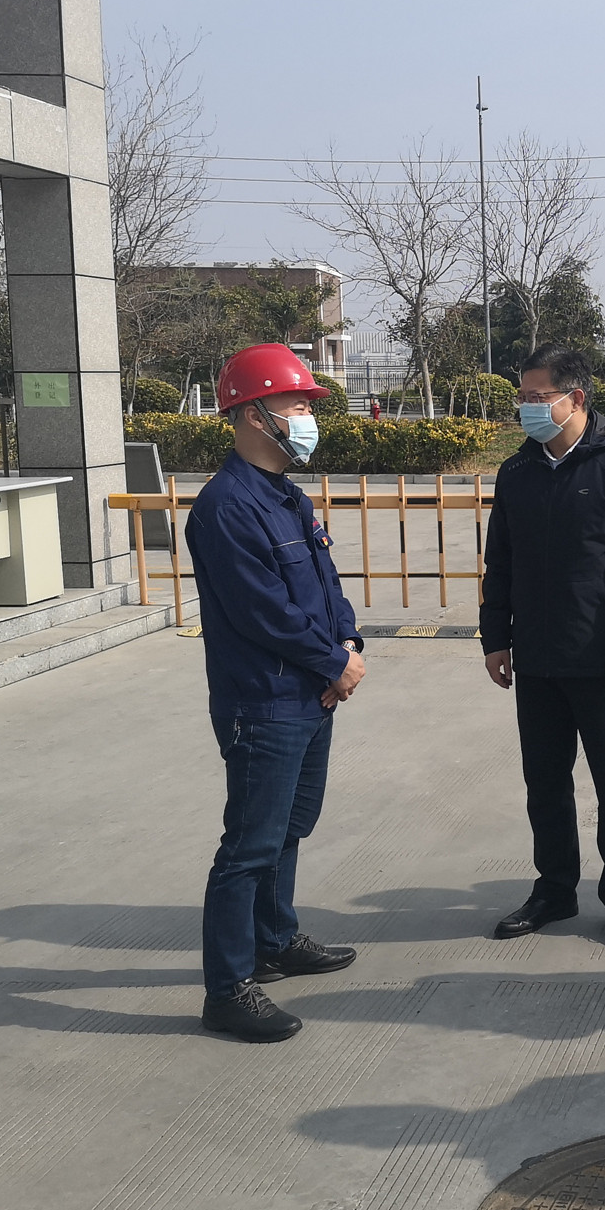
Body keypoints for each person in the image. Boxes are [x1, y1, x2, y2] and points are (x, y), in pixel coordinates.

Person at [185, 343, 366, 1043]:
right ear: (254, 415)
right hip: (264, 703)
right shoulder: (227, 507)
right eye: (296, 404)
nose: (307, 417)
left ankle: (275, 938)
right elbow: (263, 612)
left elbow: (326, 585)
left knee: (290, 827)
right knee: (249, 847)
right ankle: (229, 988)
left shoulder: (288, 495)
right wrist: (332, 662)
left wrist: (346, 643)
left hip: (311, 694)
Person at [480, 345, 605, 954]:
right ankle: (555, 889)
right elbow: (500, 562)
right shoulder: (518, 471)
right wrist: (495, 637)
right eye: (522, 397)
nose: (526, 408)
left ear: (575, 399)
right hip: (536, 658)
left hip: (604, 660)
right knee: (544, 782)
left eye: (537, 398)